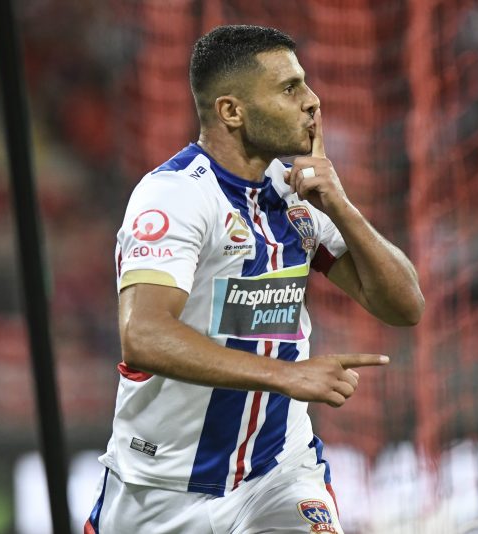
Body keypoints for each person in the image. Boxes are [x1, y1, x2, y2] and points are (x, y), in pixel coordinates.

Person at [84, 24, 424, 534]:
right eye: (289, 88)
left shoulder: (294, 194)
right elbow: (143, 335)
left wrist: (340, 204)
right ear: (231, 111)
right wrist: (287, 375)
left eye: (304, 83)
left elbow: (405, 306)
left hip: (278, 473)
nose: (312, 101)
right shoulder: (175, 196)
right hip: (162, 486)